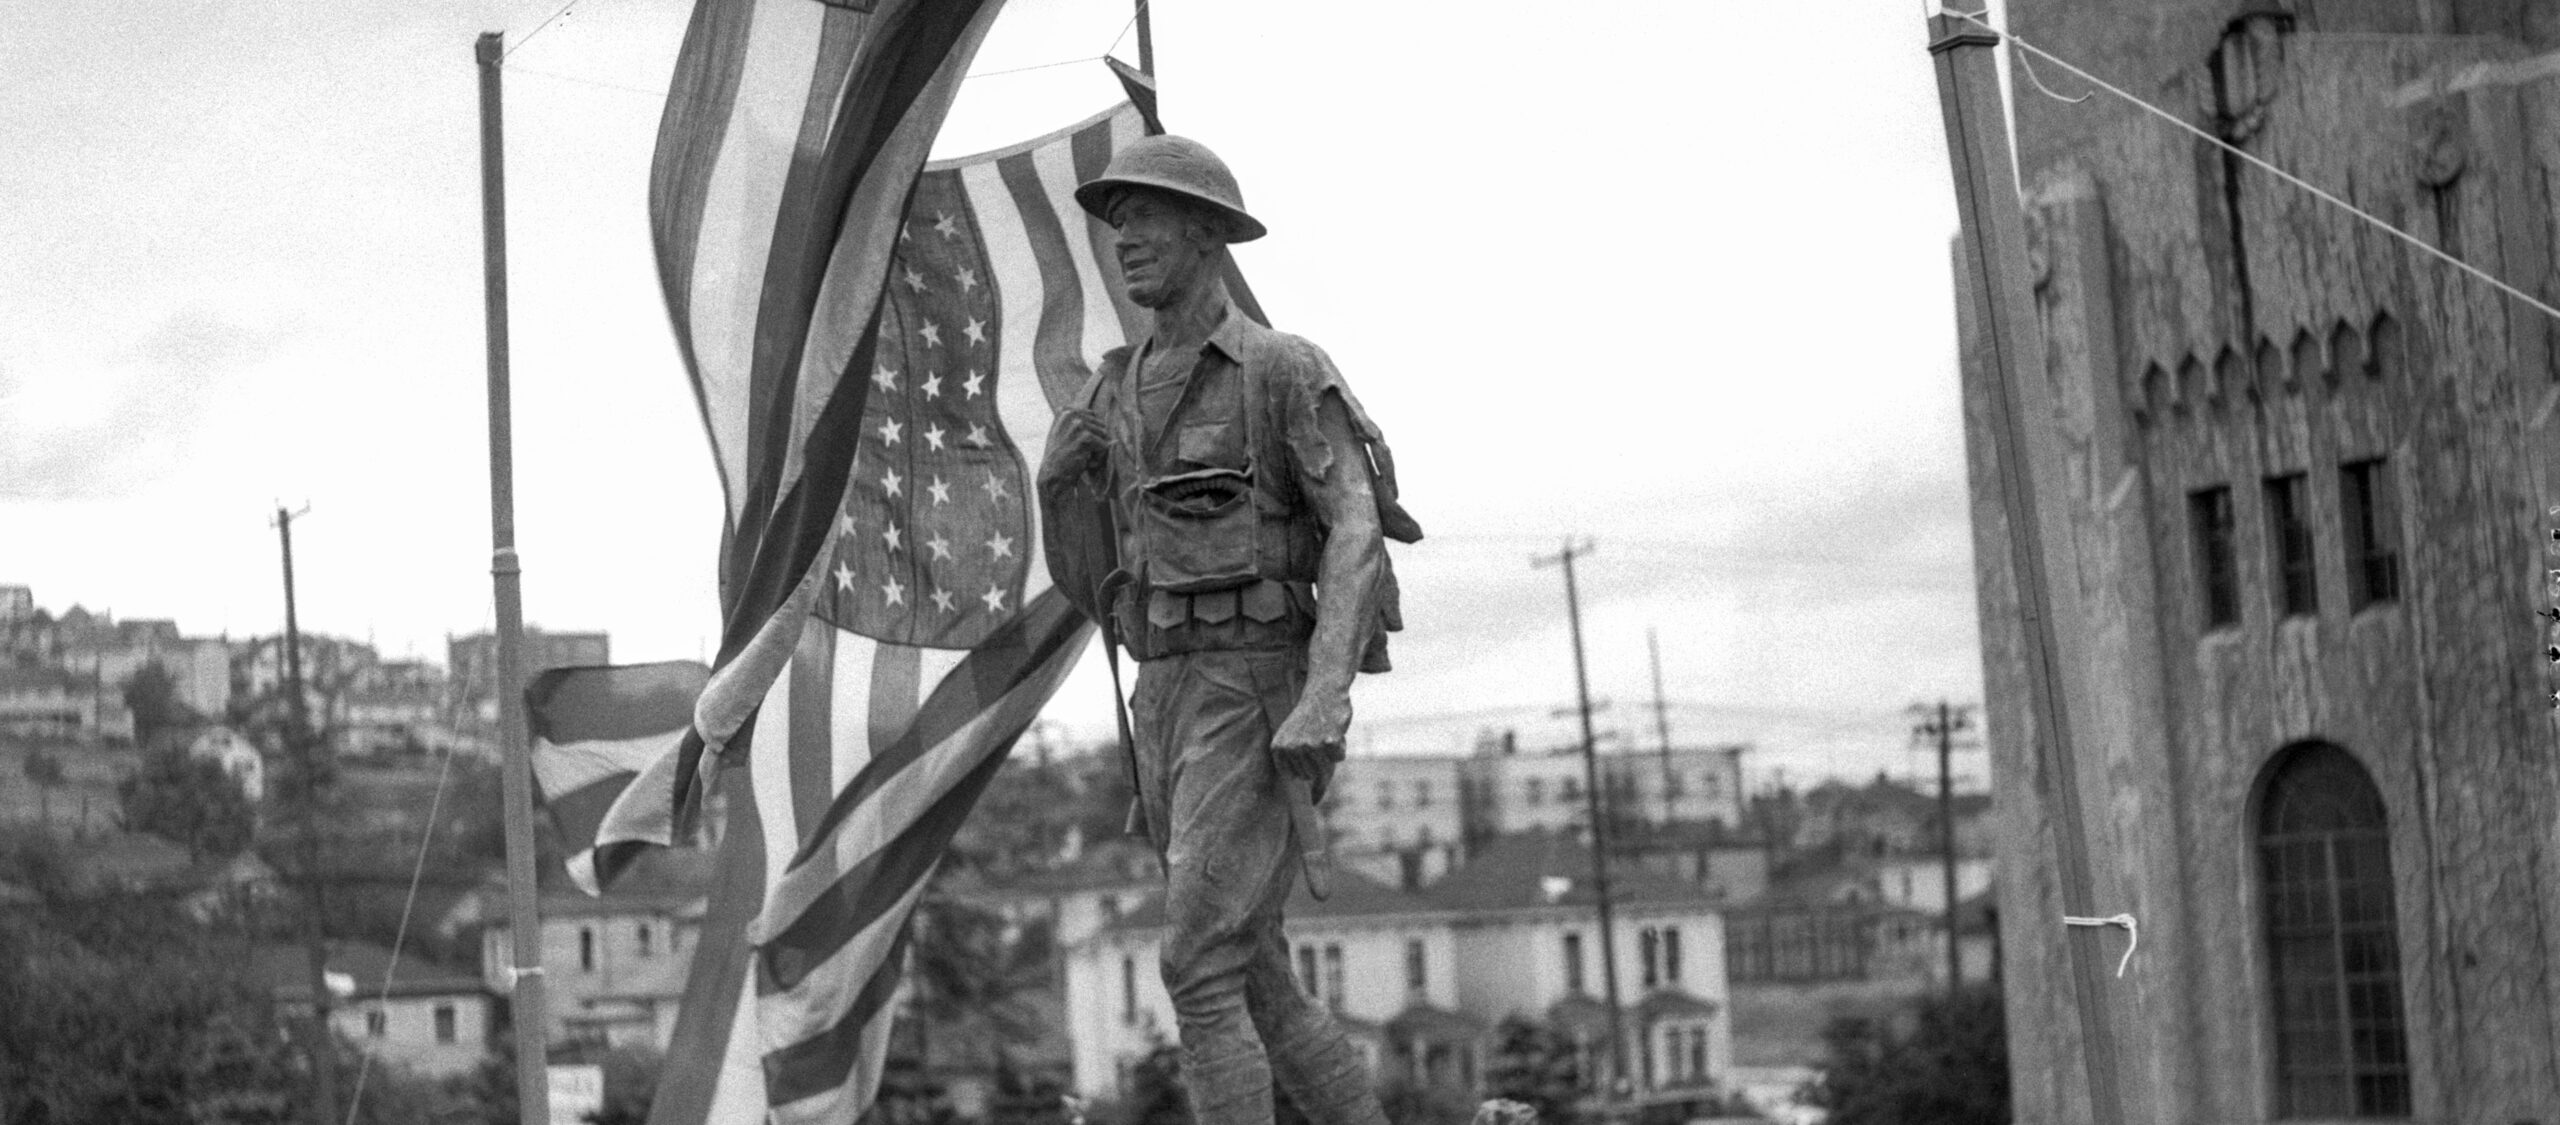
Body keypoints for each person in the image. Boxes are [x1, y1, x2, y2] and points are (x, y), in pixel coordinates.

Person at [1037, 134, 1420, 1125]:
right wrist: (1058, 489)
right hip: (1161, 692)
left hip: (1257, 686)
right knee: (1252, 973)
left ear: (1209, 233)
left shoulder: (1280, 369)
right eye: (1116, 223)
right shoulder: (1113, 389)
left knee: (1194, 963)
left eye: (1149, 217)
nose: (1125, 240)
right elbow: (1094, 589)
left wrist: (1327, 690)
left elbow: (1355, 526)